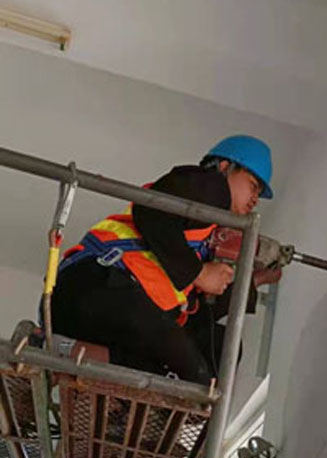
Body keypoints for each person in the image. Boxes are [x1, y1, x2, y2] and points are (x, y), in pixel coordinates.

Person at [50, 135, 281, 385]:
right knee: (185, 363)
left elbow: (198, 315)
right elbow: (152, 210)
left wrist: (253, 281)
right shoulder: (210, 185)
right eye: (253, 186)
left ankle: (65, 351)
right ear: (225, 167)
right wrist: (200, 273)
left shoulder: (197, 240)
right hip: (94, 284)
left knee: (212, 350)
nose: (255, 199)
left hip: (95, 314)